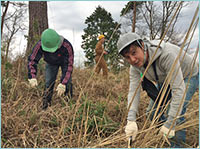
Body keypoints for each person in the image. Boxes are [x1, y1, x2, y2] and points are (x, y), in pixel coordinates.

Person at [117, 32, 199, 147]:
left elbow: (178, 89)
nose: (133, 60)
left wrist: (171, 122)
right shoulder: (134, 67)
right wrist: (130, 120)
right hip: (165, 79)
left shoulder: (166, 55)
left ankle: (176, 144)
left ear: (142, 45)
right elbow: (133, 91)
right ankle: (165, 135)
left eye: (134, 52)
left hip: (187, 75)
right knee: (153, 112)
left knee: (176, 115)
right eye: (127, 57)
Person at [27, 28, 74, 110]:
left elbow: (69, 66)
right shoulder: (40, 45)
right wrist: (32, 76)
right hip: (51, 63)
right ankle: (46, 106)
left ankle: (68, 105)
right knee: (48, 83)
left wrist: (63, 83)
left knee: (67, 83)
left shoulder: (67, 46)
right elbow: (32, 60)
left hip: (64, 63)